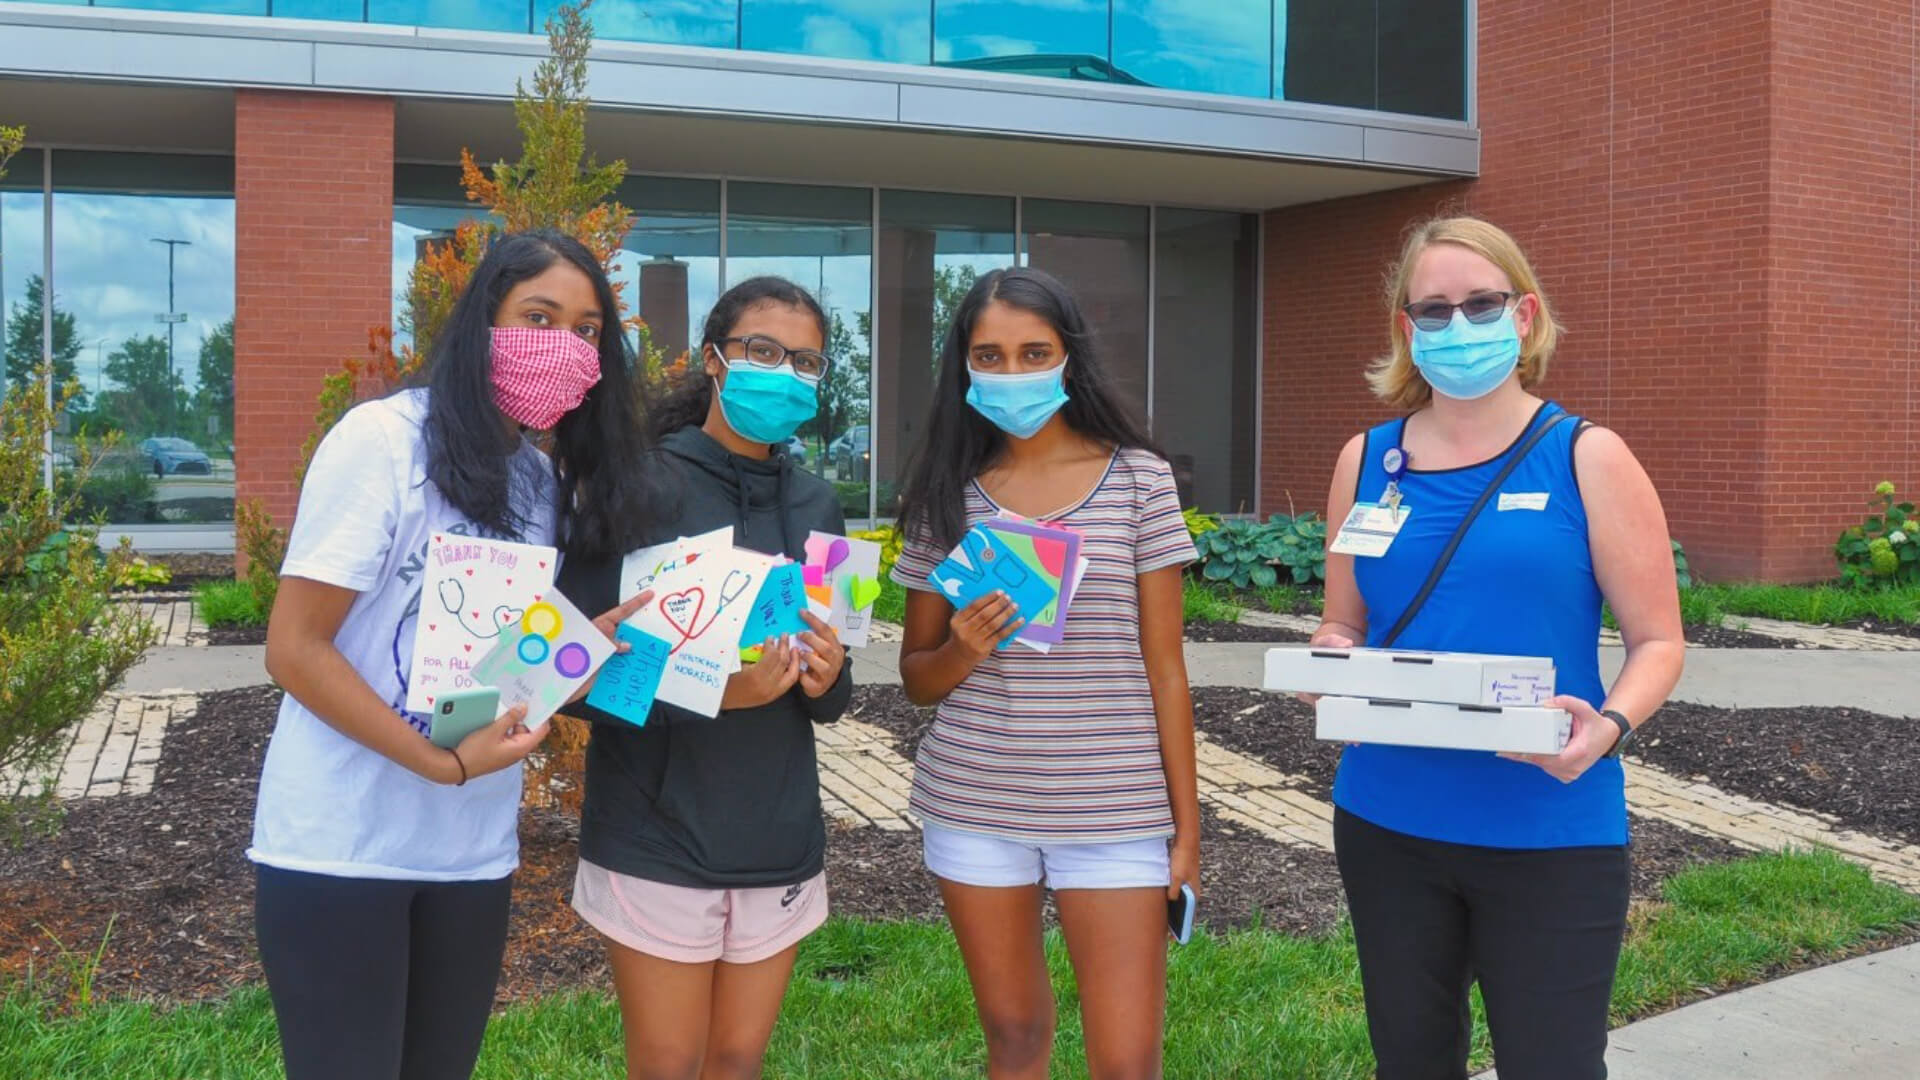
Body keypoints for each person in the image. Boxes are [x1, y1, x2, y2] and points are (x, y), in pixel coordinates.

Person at [249, 228, 657, 1080]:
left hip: (469, 851)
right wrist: (440, 765)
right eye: (538, 315)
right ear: (484, 321)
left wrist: (579, 649)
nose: (564, 347)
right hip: (342, 843)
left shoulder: (537, 483)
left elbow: (497, 667)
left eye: (587, 332)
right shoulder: (383, 443)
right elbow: (294, 649)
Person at [1311, 216, 1686, 1080]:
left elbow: (1659, 640)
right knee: (1409, 1062)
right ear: (1407, 331)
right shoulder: (1365, 461)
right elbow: (1344, 623)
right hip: (1386, 819)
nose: (1457, 326)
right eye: (1433, 310)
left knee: (1552, 1066)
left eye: (1480, 304)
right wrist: (1329, 658)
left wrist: (1611, 726)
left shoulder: (1587, 456)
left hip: (1549, 825)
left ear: (1524, 315)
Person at [891, 266, 1201, 1080]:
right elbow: (917, 678)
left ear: (1071, 359)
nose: (1013, 372)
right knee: (1017, 1040)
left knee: (1128, 1061)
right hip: (974, 803)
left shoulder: (1139, 479)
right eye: (989, 356)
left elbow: (1166, 670)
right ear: (963, 366)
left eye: (1035, 352)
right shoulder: (942, 494)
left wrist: (1187, 828)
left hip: (1117, 810)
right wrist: (963, 648)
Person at [554, 276, 853, 1080]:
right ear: (715, 360)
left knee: (734, 1062)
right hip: (655, 832)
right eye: (762, 350)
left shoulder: (819, 504)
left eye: (805, 361)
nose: (782, 372)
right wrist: (720, 692)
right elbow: (575, 677)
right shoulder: (638, 487)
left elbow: (835, 696)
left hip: (778, 836)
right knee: (668, 1064)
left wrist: (826, 679)